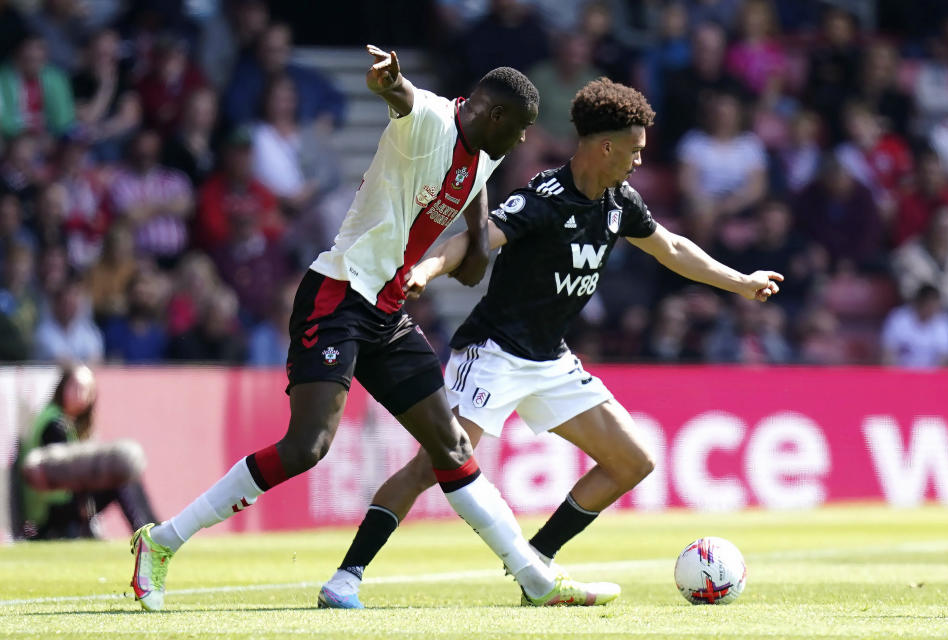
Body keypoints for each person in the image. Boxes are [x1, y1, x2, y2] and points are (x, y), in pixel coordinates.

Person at [130, 45, 617, 613]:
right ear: (494, 116)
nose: (526, 142)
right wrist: (389, 84)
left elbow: (475, 220)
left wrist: (477, 241)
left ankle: (534, 578)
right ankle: (160, 542)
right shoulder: (430, 120)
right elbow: (405, 102)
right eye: (523, 129)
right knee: (308, 446)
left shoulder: (485, 148)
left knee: (451, 446)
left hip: (386, 311)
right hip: (338, 295)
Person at [320, 77, 783, 608]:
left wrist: (740, 281)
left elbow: (672, 248)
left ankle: (535, 565)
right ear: (604, 146)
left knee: (631, 463)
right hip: (492, 354)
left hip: (550, 359)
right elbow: (478, 237)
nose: (638, 162)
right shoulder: (545, 197)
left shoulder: (619, 202)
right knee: (432, 465)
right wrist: (426, 269)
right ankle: (347, 576)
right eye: (634, 150)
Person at [15, 365, 156, 539]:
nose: (81, 394)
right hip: (50, 511)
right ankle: (149, 534)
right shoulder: (54, 424)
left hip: (59, 504)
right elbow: (59, 476)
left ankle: (150, 529)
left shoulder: (60, 420)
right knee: (121, 475)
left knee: (126, 472)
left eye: (86, 390)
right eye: (75, 387)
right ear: (62, 387)